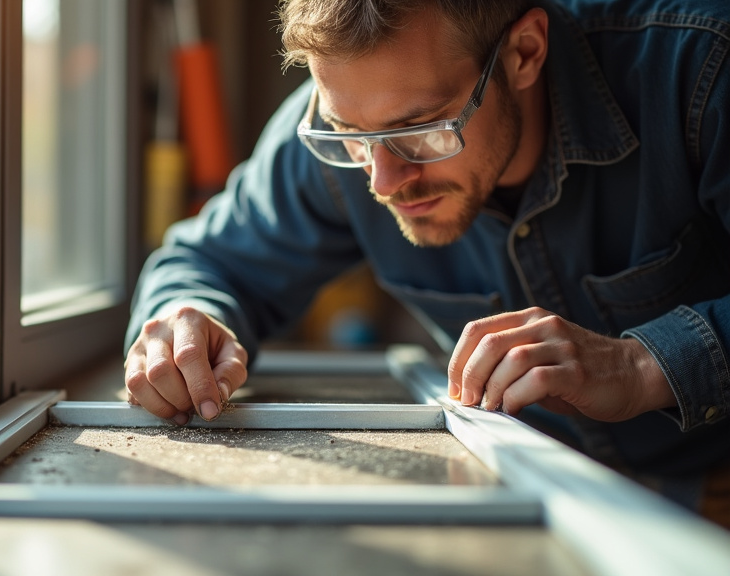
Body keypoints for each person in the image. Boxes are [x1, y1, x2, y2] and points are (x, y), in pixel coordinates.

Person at [124, 0, 730, 521]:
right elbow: (205, 261)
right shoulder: (334, 139)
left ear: (524, 52)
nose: (384, 182)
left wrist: (641, 366)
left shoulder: (700, 71)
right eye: (349, 135)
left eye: (420, 128)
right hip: (536, 497)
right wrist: (185, 321)